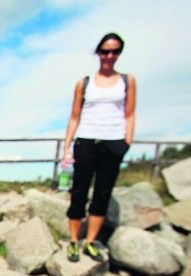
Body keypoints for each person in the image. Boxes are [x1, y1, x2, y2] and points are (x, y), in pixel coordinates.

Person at [62, 33, 136, 262]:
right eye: (105, 51)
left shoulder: (127, 80)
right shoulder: (84, 83)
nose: (109, 56)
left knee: (102, 194)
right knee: (79, 192)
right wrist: (67, 146)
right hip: (86, 140)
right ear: (98, 53)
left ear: (119, 53)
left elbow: (130, 113)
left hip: (113, 141)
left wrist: (126, 142)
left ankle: (90, 242)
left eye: (114, 51)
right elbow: (74, 117)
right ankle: (74, 241)